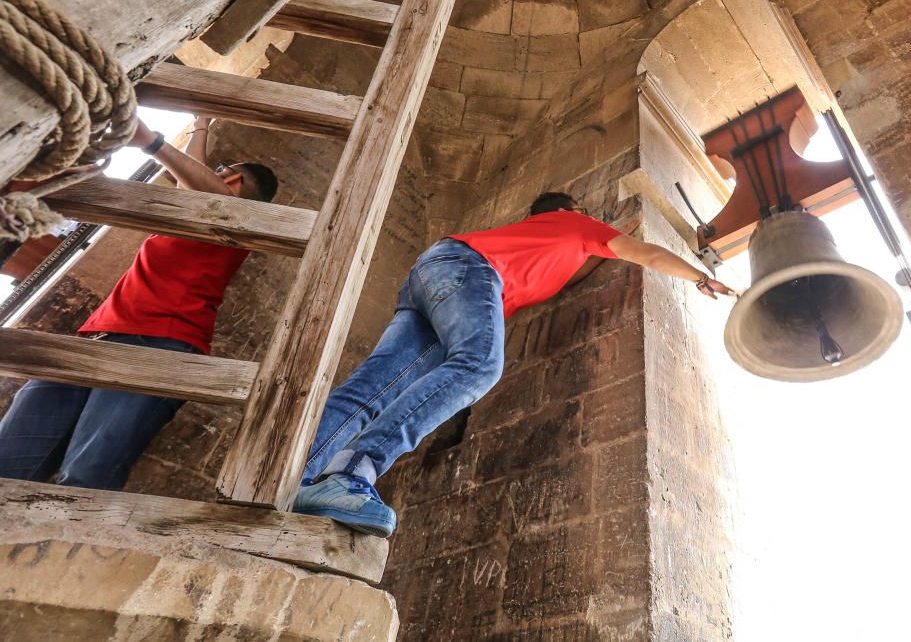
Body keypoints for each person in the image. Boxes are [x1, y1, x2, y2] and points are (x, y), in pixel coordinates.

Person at [293, 191, 732, 537]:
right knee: (479, 366)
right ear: (570, 210)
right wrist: (699, 276)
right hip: (470, 271)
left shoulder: (541, 242)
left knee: (374, 387)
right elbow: (647, 254)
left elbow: (569, 274)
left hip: (431, 274)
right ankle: (353, 471)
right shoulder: (578, 224)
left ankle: (295, 478)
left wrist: (593, 252)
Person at [0, 116, 278, 490]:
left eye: (222, 171)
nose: (212, 173)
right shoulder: (184, 218)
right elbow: (193, 185)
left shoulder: (241, 226)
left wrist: (151, 142)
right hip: (96, 339)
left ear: (235, 184)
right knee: (7, 462)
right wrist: (200, 126)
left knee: (85, 478)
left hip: (159, 346)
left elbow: (213, 197)